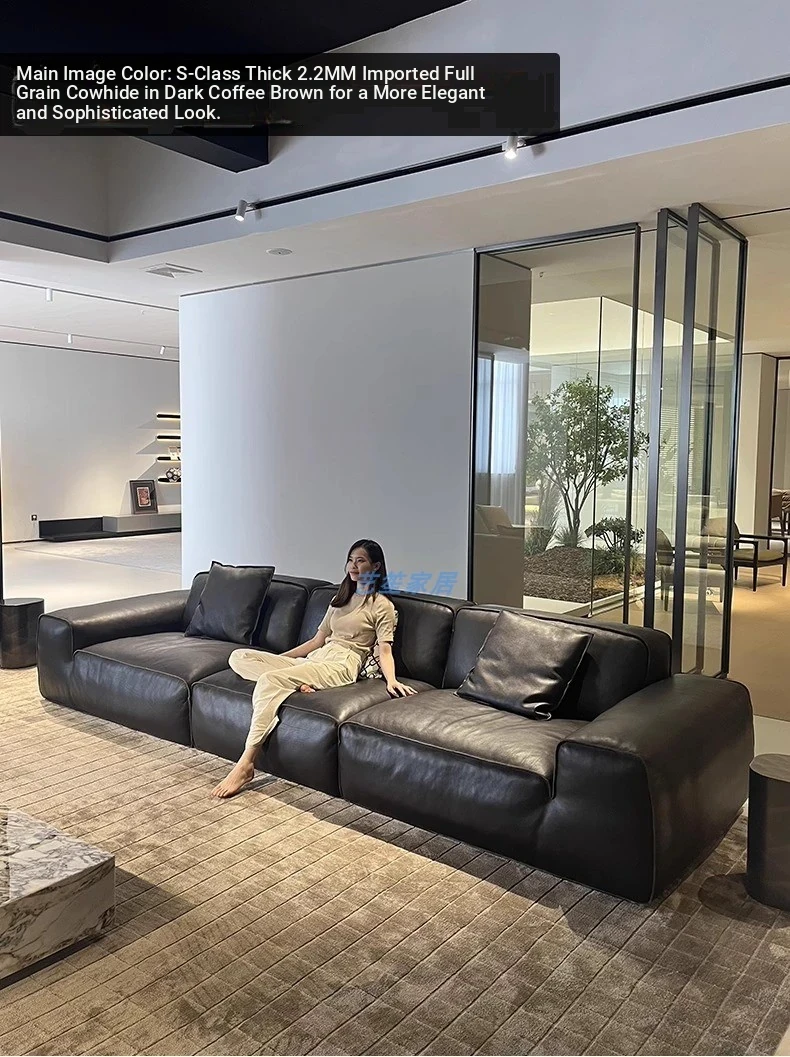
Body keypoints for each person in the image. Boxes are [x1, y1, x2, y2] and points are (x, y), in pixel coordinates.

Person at [211, 539, 416, 798]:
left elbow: (385, 650)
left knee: (269, 681)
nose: (353, 566)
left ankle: (246, 762)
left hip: (342, 664)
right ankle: (295, 682)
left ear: (375, 566)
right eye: (350, 560)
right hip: (317, 657)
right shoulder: (340, 599)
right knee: (239, 657)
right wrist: (278, 660)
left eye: (360, 560)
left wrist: (392, 680)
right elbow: (316, 641)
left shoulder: (381, 605)